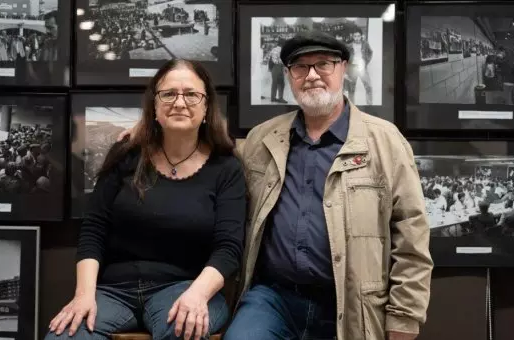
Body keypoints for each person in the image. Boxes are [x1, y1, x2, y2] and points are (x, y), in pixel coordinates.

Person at [119, 32, 434, 339]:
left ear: (343, 69)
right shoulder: (262, 138)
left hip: (350, 305)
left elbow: (412, 239)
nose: (311, 75)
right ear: (288, 75)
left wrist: (404, 321)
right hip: (273, 299)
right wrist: (153, 128)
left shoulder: (385, 142)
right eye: (300, 67)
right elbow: (211, 144)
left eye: (323, 64)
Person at [47, 59, 247, 340]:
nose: (180, 102)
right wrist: (83, 296)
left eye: (191, 94)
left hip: (185, 287)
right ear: (154, 106)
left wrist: (197, 295)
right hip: (114, 291)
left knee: (184, 332)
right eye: (168, 94)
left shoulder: (226, 169)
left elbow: (228, 249)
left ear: (206, 108)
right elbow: (93, 230)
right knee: (64, 336)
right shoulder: (126, 154)